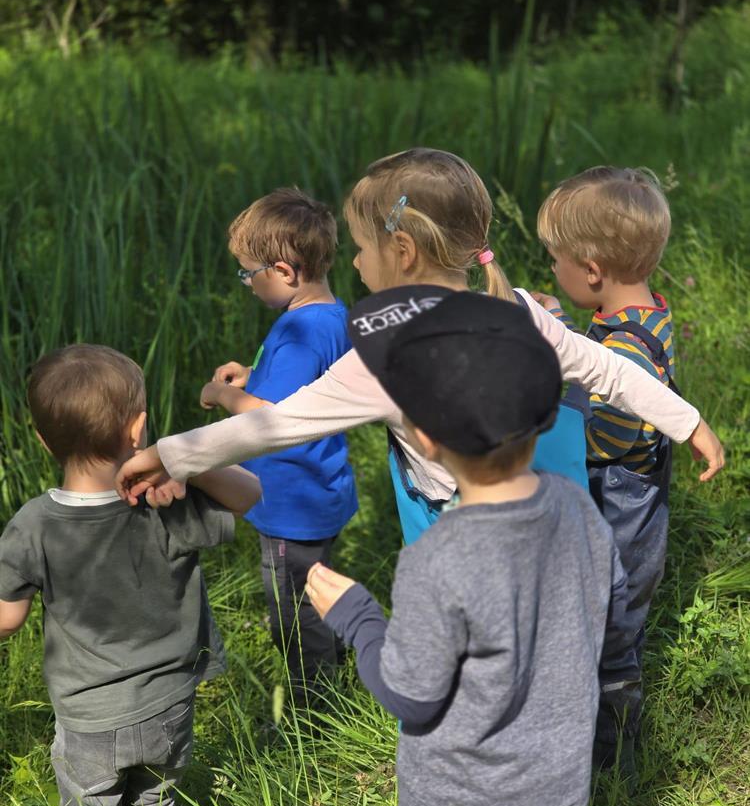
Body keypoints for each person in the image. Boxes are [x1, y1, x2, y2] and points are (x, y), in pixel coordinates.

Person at [115, 149, 724, 530]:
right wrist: (688, 422)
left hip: (449, 520)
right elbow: (608, 371)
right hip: (534, 504)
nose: (353, 264)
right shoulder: (512, 305)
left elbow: (276, 424)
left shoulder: (385, 356)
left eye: (359, 247)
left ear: (401, 253)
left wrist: (166, 454)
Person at [306, 288, 628, 806]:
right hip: (555, 785)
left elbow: (412, 694)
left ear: (422, 436)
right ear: (545, 415)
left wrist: (358, 618)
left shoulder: (438, 558)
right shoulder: (575, 506)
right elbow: (607, 605)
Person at [0, 345, 260, 806]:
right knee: (156, 803)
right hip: (170, 701)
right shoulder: (166, 499)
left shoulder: (33, 524)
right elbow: (248, 494)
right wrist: (182, 458)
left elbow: (7, 620)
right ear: (140, 428)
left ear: (42, 440)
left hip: (89, 717)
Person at [534, 166, 680, 774]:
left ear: (592, 271)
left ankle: (611, 759)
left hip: (623, 514)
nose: (552, 271)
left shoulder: (625, 349)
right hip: (636, 505)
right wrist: (563, 329)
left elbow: (608, 439)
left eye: (556, 261)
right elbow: (603, 362)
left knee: (612, 634)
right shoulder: (643, 315)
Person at [199, 188, 358, 704]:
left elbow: (269, 418)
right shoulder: (332, 315)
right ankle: (337, 665)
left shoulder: (296, 328)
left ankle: (313, 710)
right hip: (324, 488)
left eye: (248, 272)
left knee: (292, 613)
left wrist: (225, 393)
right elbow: (308, 384)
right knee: (317, 590)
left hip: (290, 500)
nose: (245, 283)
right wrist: (253, 373)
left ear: (285, 271)